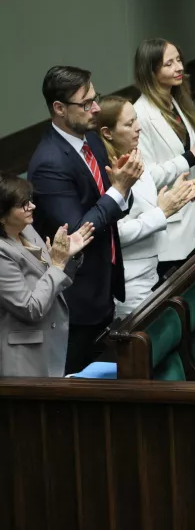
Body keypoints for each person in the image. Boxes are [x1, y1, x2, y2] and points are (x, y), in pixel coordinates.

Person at [28, 66, 143, 374]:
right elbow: (80, 230)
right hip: (74, 299)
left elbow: (112, 202)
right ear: (59, 108)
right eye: (86, 103)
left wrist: (121, 189)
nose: (96, 109)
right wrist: (120, 189)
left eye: (96, 98)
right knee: (75, 381)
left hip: (104, 280)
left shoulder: (90, 141)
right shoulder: (48, 164)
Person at [98, 96, 195, 317]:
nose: (138, 128)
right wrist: (162, 211)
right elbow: (113, 233)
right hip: (129, 282)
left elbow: (148, 191)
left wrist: (169, 200)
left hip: (151, 272)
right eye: (129, 124)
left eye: (136, 120)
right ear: (107, 133)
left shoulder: (135, 157)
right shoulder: (107, 174)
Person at [133, 38, 195, 279]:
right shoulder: (140, 114)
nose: (178, 67)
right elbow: (145, 177)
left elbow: (188, 157)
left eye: (179, 60)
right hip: (168, 223)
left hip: (189, 217)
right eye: (169, 63)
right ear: (151, 71)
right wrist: (193, 153)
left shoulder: (175, 101)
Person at [0, 176, 95, 377]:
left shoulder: (27, 230)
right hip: (25, 359)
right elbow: (30, 308)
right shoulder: (2, 252)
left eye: (30, 200)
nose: (32, 206)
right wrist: (58, 264)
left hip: (50, 342)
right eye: (23, 205)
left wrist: (69, 256)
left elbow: (54, 282)